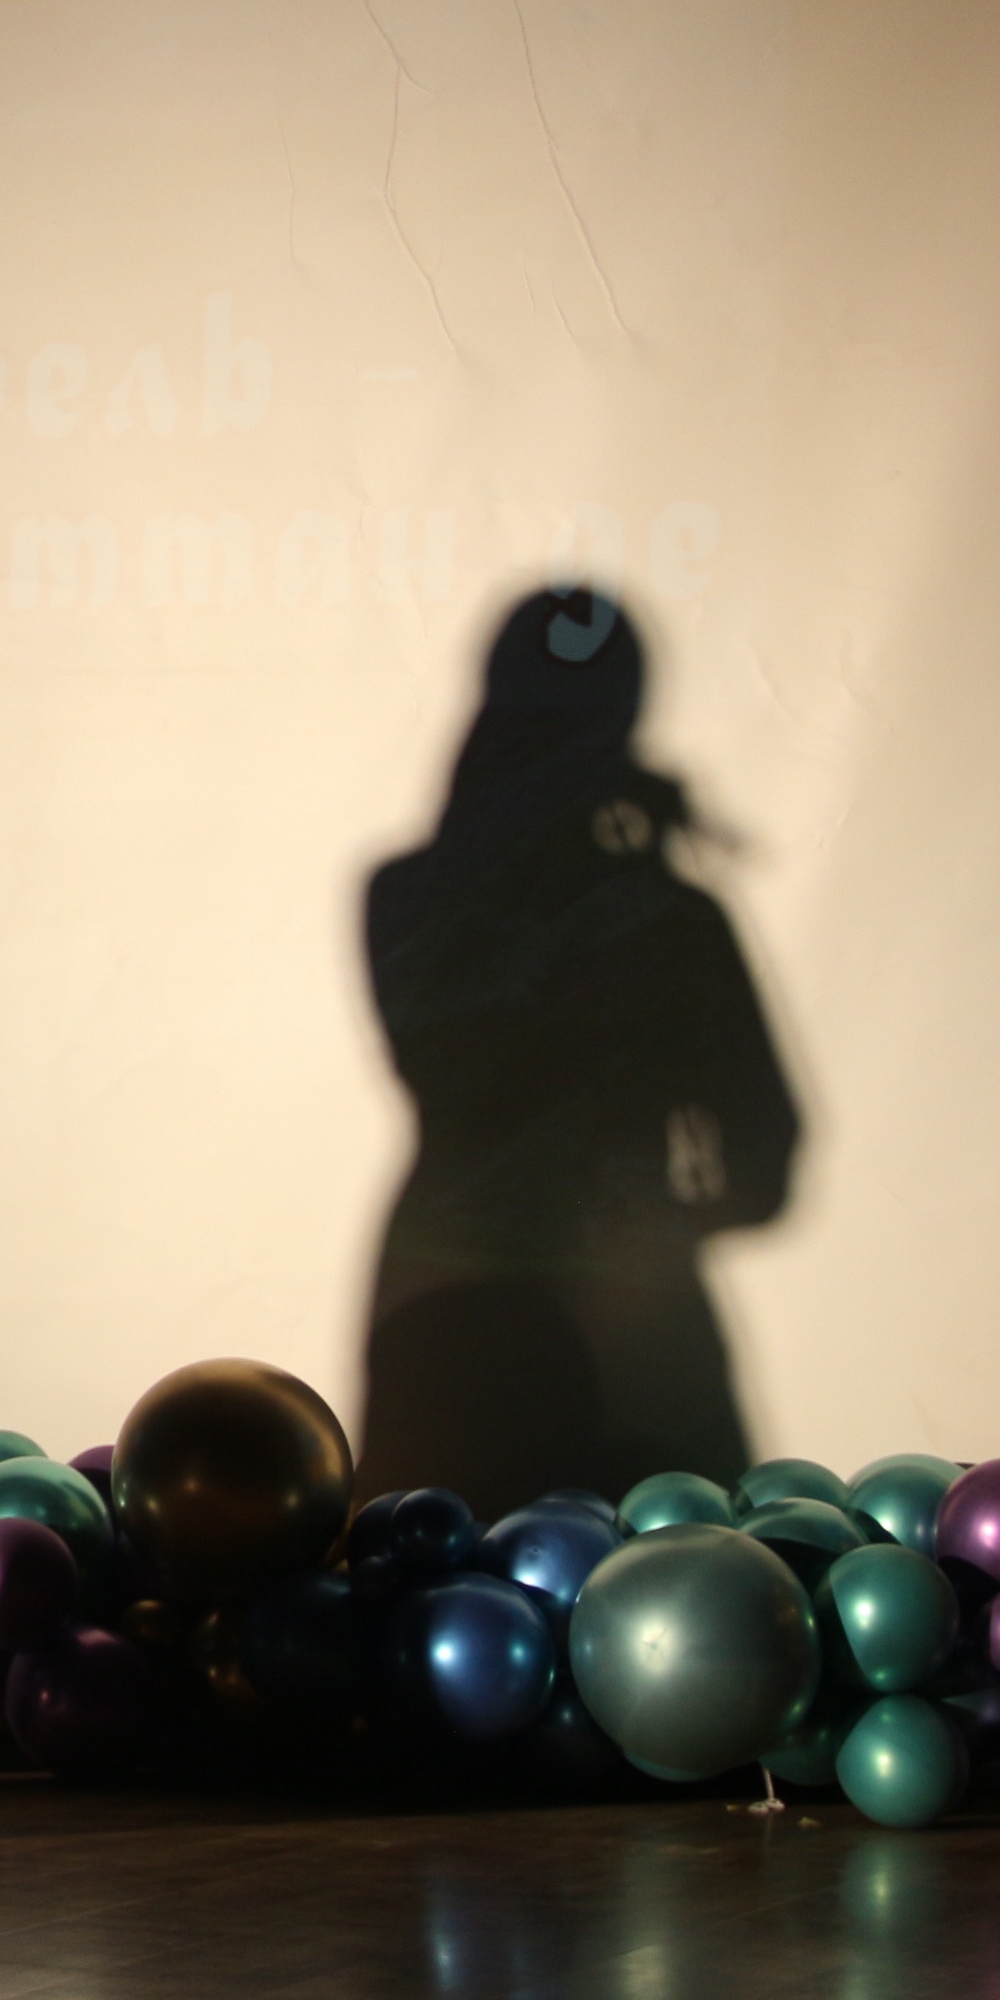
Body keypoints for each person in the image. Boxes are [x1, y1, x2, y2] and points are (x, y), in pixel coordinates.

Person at [354, 586, 797, 1513]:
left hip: (484, 1322)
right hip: (586, 1332)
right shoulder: (665, 918)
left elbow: (770, 1151)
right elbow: (764, 1154)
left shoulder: (414, 895)